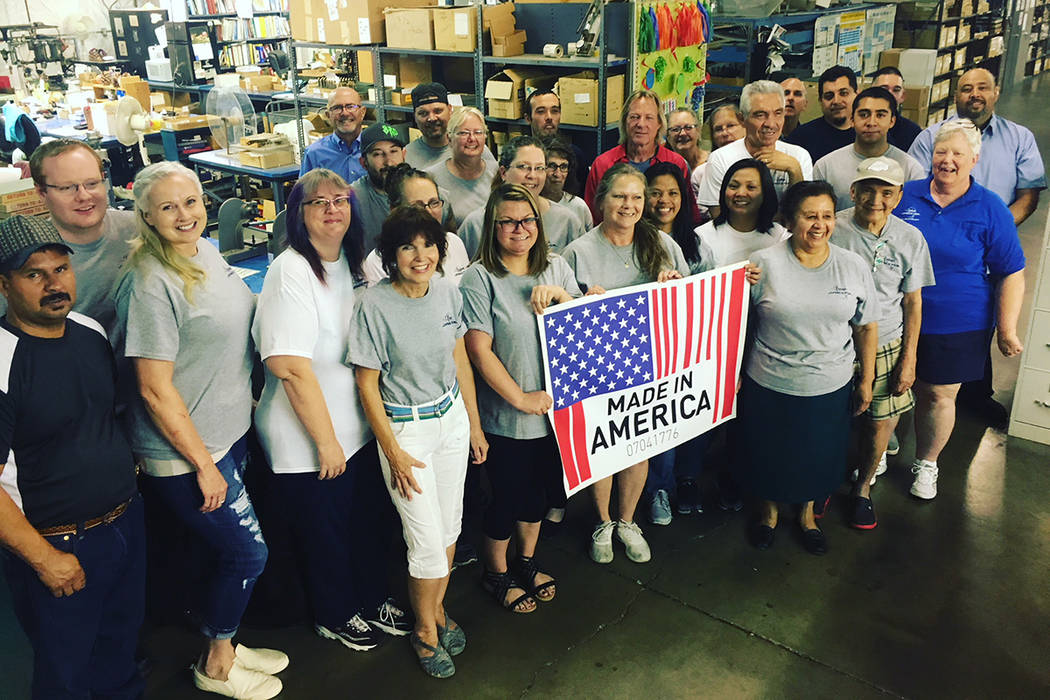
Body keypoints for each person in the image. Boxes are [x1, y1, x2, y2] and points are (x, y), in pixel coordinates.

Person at [113, 162, 286, 700]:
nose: (183, 214)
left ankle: (226, 644)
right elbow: (153, 388)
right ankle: (215, 664)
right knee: (246, 554)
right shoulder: (150, 281)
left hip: (228, 431)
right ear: (146, 215)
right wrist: (204, 466)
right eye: (167, 207)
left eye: (190, 201)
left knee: (221, 555)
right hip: (186, 454)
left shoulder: (204, 252)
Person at [252, 169, 412, 655]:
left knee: (366, 521)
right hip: (308, 437)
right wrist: (326, 442)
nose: (332, 209)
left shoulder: (354, 261)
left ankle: (371, 596)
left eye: (340, 199)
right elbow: (290, 368)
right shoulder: (291, 270)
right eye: (317, 202)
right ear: (297, 215)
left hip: (357, 425)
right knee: (325, 532)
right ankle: (335, 612)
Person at [0, 215, 144, 699]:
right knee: (66, 673)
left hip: (125, 523)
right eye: (34, 275)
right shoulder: (3, 360)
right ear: (4, 285)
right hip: (60, 544)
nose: (53, 284)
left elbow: (104, 417)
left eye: (60, 269)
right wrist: (44, 559)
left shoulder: (88, 331)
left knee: (121, 653)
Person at [349, 205, 488, 679]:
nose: (420, 255)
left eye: (428, 244)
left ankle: (436, 610)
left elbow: (459, 358)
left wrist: (473, 423)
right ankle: (424, 630)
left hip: (450, 420)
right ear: (390, 256)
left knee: (449, 530)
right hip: (406, 430)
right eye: (407, 246)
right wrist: (394, 453)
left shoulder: (448, 293)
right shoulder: (373, 304)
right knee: (426, 543)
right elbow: (367, 386)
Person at [461, 183, 581, 613]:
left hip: (557, 415)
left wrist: (564, 297)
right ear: (492, 227)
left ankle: (526, 561)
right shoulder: (479, 277)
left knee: (539, 497)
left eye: (527, 219)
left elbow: (583, 323)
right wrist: (520, 399)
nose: (519, 228)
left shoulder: (558, 267)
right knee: (504, 501)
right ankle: (496, 572)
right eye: (507, 221)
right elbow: (477, 349)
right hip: (507, 418)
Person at [562, 164, 690, 563]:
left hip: (650, 366)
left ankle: (627, 519)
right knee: (603, 450)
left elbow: (690, 298)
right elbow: (560, 315)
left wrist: (673, 287)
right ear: (601, 201)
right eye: (619, 196)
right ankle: (602, 521)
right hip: (595, 369)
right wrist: (582, 300)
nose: (629, 205)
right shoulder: (578, 252)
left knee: (638, 447)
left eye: (637, 197)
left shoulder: (663, 245)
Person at [740, 180, 877, 555]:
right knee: (768, 454)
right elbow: (737, 323)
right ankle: (767, 515)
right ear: (789, 219)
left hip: (829, 384)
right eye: (809, 216)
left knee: (819, 457)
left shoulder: (852, 266)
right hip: (769, 380)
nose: (819, 225)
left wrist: (867, 378)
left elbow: (865, 325)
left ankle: (807, 517)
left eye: (827, 216)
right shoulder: (762, 263)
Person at [895, 120, 1025, 500]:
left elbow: (1011, 271)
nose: (947, 161)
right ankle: (880, 448)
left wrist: (1007, 328)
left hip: (957, 320)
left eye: (957, 154)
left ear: (974, 159)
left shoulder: (990, 208)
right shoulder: (905, 196)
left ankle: (927, 463)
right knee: (892, 388)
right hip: (896, 316)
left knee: (937, 395)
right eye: (940, 152)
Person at [908, 68, 1045, 427]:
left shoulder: (1018, 140)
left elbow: (1028, 196)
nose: (974, 94)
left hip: (975, 272)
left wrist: (988, 231)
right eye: (966, 88)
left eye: (982, 87)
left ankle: (971, 400)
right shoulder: (925, 147)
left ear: (996, 92)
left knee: (951, 377)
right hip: (914, 294)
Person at [831, 157, 935, 528]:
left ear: (899, 196)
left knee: (880, 422)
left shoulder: (910, 238)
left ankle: (862, 489)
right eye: (868, 190)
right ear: (853, 191)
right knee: (830, 421)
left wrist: (909, 359)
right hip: (836, 342)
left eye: (886, 192)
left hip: (888, 341)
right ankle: (824, 483)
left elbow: (913, 301)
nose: (876, 199)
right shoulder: (832, 228)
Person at [641, 162, 713, 523]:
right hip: (645, 353)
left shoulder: (697, 243)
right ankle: (656, 490)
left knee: (686, 422)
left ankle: (682, 481)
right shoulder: (632, 238)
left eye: (672, 192)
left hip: (687, 350)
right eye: (655, 192)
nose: (663, 200)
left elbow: (712, 296)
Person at [0, 139, 137, 330]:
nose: (83, 196)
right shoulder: (25, 261)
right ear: (41, 191)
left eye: (91, 183)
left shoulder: (140, 230)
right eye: (66, 187)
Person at [698, 81, 813, 218]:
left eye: (778, 113)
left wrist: (794, 169)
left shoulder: (798, 156)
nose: (770, 123)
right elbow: (719, 218)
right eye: (760, 115)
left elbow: (803, 216)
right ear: (742, 119)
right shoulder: (720, 159)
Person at [457, 136, 586, 257]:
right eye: (523, 167)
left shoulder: (567, 222)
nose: (532, 175)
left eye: (539, 168)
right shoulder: (476, 224)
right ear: (503, 172)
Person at [584, 89, 699, 224]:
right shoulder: (603, 164)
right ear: (624, 122)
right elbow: (592, 217)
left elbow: (689, 214)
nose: (641, 124)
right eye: (634, 117)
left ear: (659, 124)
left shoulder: (676, 163)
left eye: (649, 118)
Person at [813, 87, 925, 211]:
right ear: (852, 120)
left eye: (880, 115)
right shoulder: (826, 167)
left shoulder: (911, 169)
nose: (871, 122)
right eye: (864, 114)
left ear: (892, 121)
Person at [361, 164, 470, 286]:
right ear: (394, 209)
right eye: (417, 206)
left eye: (433, 203)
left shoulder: (454, 243)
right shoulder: (377, 262)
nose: (428, 212)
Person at [696, 158, 789, 269]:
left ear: (765, 193)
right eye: (733, 186)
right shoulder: (702, 237)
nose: (740, 193)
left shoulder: (780, 237)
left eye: (751, 187)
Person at [426, 106, 497, 229]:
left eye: (478, 132)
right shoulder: (431, 178)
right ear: (449, 138)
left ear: (485, 137)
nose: (472, 138)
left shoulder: (499, 172)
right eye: (464, 133)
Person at [405, 83, 498, 172]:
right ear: (414, 116)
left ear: (450, 110)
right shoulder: (406, 156)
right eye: (423, 113)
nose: (431, 118)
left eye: (438, 111)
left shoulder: (473, 148)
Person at [784, 65, 858, 163]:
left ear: (857, 94)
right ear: (820, 101)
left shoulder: (868, 132)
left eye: (843, 93)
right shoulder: (800, 139)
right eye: (829, 96)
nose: (836, 101)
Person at [299, 86, 367, 184]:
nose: (345, 113)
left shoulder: (375, 149)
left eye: (350, 106)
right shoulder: (314, 154)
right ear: (328, 115)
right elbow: (304, 195)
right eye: (337, 108)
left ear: (362, 112)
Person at [525, 89, 588, 192]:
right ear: (528, 118)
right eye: (541, 111)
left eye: (554, 111)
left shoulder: (575, 155)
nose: (549, 117)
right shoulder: (520, 155)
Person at [690, 104, 746, 198]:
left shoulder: (762, 163)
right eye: (718, 129)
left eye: (731, 126)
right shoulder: (701, 174)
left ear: (745, 126)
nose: (724, 133)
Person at [541, 137, 593, 230]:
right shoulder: (530, 205)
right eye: (552, 166)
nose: (558, 174)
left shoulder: (579, 207)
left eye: (563, 167)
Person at [871, 66, 923, 151]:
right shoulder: (858, 125)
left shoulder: (913, 132)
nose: (890, 95)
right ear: (870, 91)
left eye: (896, 90)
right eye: (884, 89)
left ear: (903, 96)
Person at [666, 108, 708, 176]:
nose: (682, 133)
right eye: (675, 129)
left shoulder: (711, 162)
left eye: (688, 127)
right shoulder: (665, 170)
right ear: (667, 136)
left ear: (698, 131)